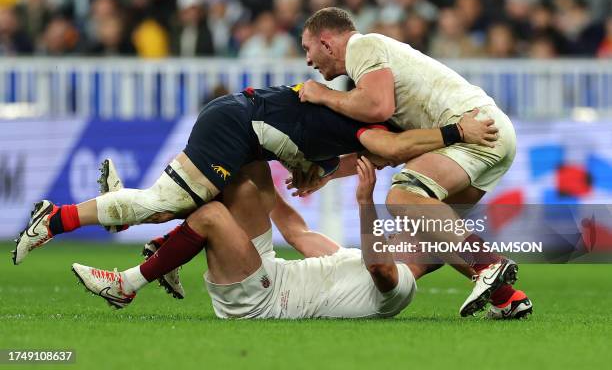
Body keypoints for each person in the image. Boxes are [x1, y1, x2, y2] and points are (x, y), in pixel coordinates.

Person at [13, 83, 496, 268]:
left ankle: (131, 225)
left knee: (198, 206)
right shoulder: (374, 124)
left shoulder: (347, 120)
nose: (397, 161)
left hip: (240, 124)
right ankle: (55, 218)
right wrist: (459, 131)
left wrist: (320, 175)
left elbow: (342, 155)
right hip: (236, 127)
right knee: (170, 203)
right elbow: (391, 149)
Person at [71, 158, 532, 319]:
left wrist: (366, 202)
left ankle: (127, 284)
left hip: (262, 301)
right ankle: (129, 211)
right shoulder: (346, 258)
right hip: (267, 270)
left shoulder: (402, 290)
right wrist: (286, 181)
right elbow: (294, 229)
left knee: (212, 214)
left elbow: (380, 268)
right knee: (246, 174)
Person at [298, 7, 529, 317]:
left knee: (403, 196)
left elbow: (377, 106)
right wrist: (327, 173)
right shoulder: (373, 75)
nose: (308, 60)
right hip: (488, 133)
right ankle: (507, 298)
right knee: (428, 233)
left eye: (307, 48)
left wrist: (323, 95)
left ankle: (489, 264)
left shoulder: (362, 47)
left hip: (474, 129)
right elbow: (387, 151)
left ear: (326, 43)